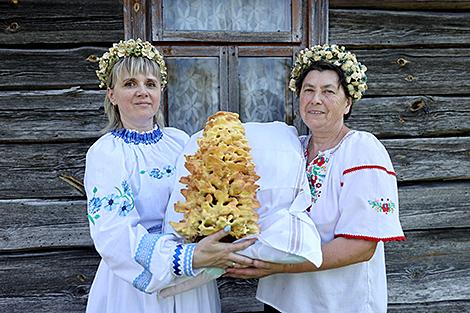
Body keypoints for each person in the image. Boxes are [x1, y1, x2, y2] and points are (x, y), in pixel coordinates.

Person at [226, 44, 406, 313]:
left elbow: (362, 246)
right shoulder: (290, 148)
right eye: (308, 90)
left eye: (328, 91)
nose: (315, 99)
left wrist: (282, 265)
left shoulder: (361, 149)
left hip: (335, 303)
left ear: (348, 102)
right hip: (281, 301)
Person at [84, 39, 254, 313]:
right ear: (111, 94)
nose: (142, 91)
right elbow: (112, 233)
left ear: (161, 91)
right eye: (130, 84)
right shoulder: (106, 152)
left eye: (150, 84)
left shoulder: (180, 141)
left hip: (191, 281)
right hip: (136, 285)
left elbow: (206, 199)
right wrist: (184, 257)